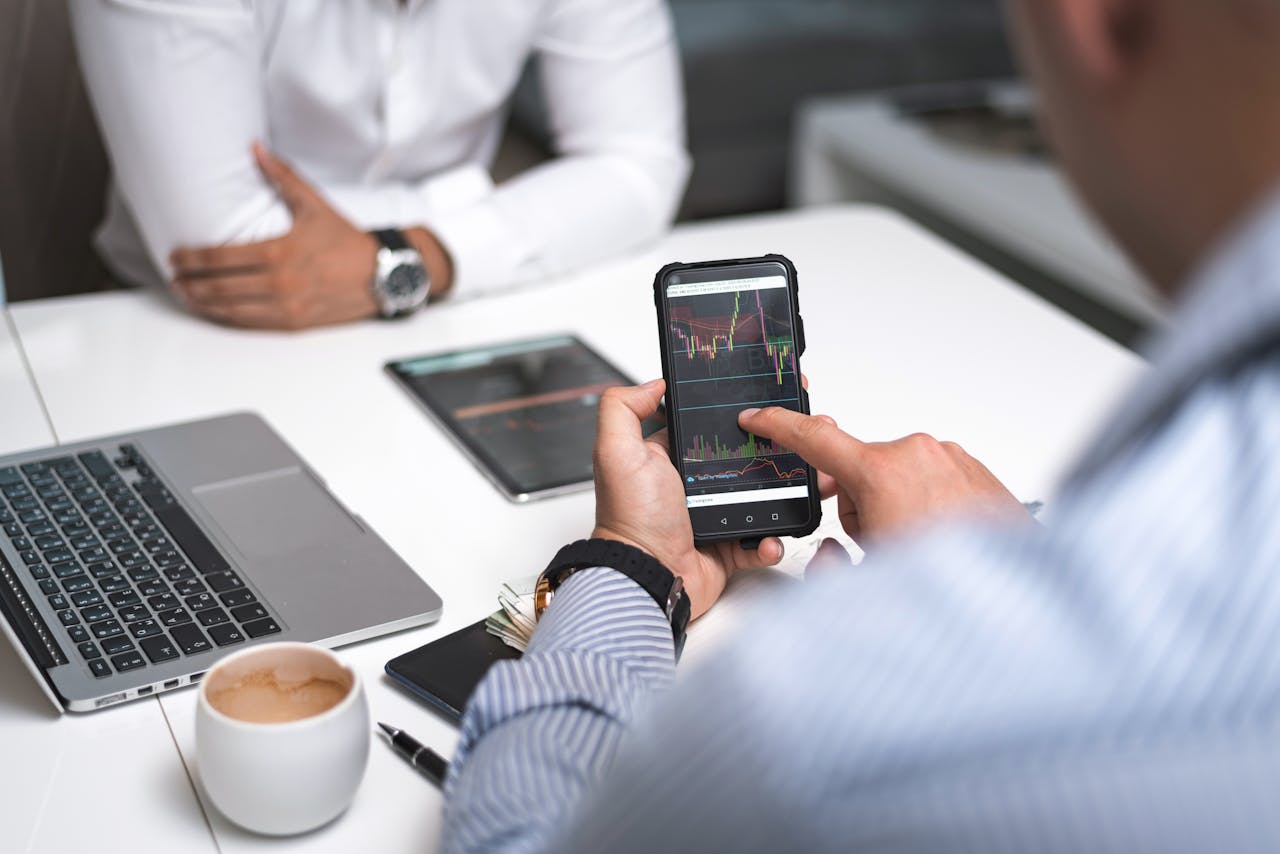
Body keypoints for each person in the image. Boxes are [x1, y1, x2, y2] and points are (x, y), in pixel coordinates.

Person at [439, 0, 1280, 850]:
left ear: (1092, 21)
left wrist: (627, 563)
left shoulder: (821, 723)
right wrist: (1018, 552)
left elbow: (514, 837)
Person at [70, 0, 688, 330]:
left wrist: (421, 256)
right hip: (184, 330)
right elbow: (229, 243)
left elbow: (641, 168)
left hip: (462, 312)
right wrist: (478, 205)